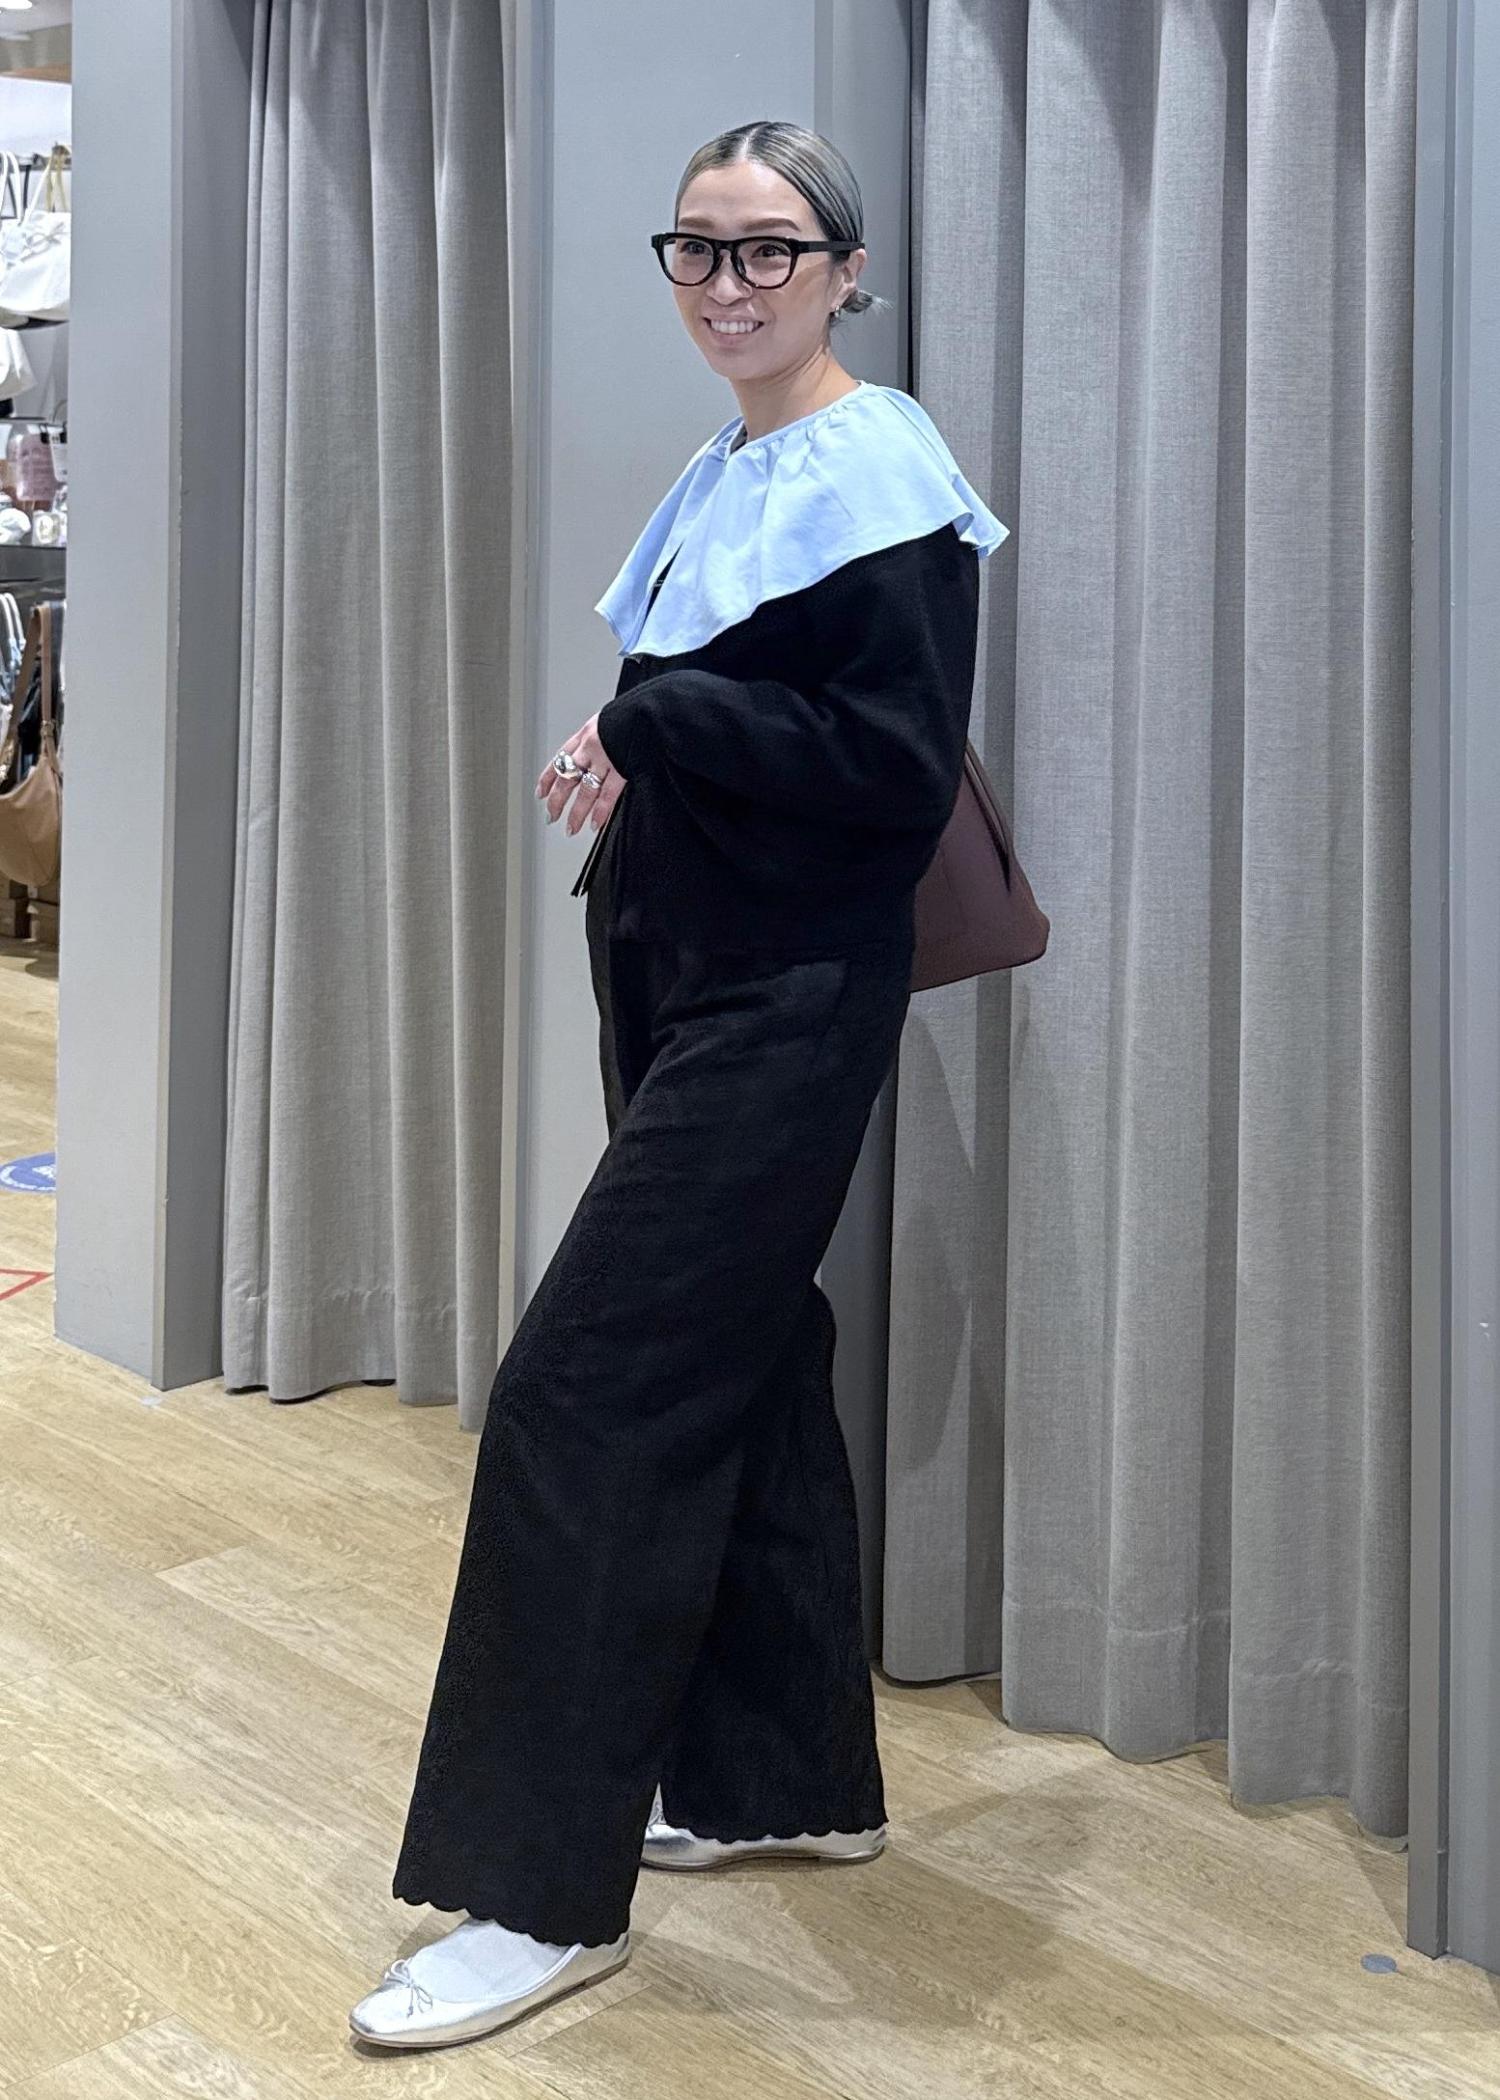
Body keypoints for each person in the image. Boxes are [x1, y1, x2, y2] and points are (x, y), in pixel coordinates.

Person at [350, 118, 1008, 2052]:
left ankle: (535, 1891)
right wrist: (653, 733)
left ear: (847, 269)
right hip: (682, 969)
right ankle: (780, 1779)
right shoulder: (733, 465)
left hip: (784, 1000)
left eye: (769, 249)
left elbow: (893, 766)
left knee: (588, 1388)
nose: (729, 283)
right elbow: (738, 707)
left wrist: (664, 716)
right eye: (698, 250)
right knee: (748, 1356)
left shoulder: (880, 470)